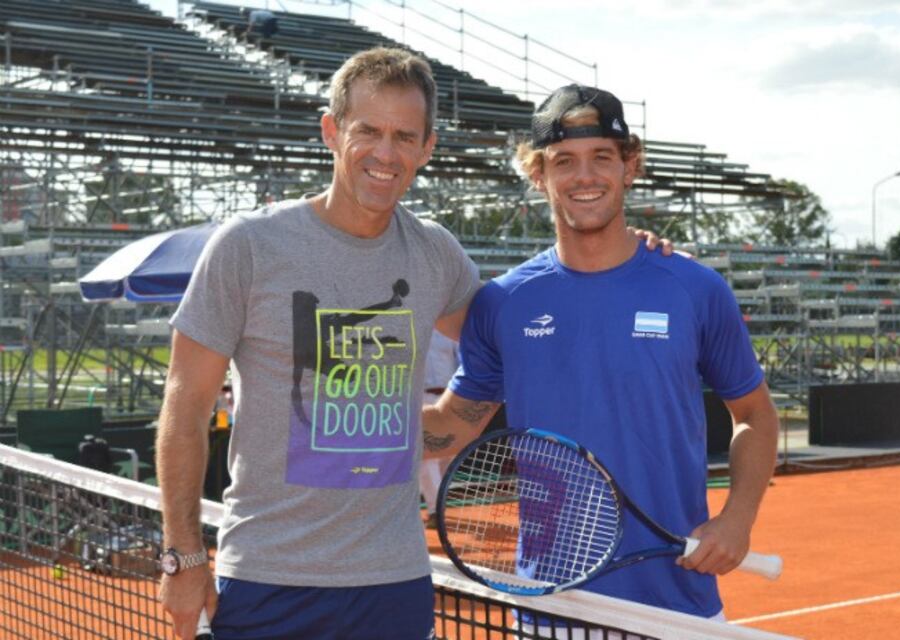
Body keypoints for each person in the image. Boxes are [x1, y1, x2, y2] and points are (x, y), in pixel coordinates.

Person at [155, 46, 672, 639]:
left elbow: (512, 338)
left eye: (405, 136)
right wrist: (183, 558)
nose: (385, 152)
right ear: (331, 131)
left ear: (426, 148)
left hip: (396, 586)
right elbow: (183, 408)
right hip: (271, 580)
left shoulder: (434, 253)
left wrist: (628, 254)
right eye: (368, 131)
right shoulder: (248, 246)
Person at [422, 85, 779, 625]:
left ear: (629, 166)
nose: (584, 176)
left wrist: (737, 518)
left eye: (602, 158)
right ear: (538, 175)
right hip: (549, 604)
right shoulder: (504, 303)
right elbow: (452, 424)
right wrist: (332, 428)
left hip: (676, 609)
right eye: (564, 161)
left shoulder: (695, 289)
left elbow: (754, 414)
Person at [418, 329, 460, 528]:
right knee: (427, 456)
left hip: (450, 398)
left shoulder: (450, 331)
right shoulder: (415, 328)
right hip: (421, 398)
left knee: (447, 455)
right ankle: (436, 510)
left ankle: (439, 505)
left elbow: (462, 362)